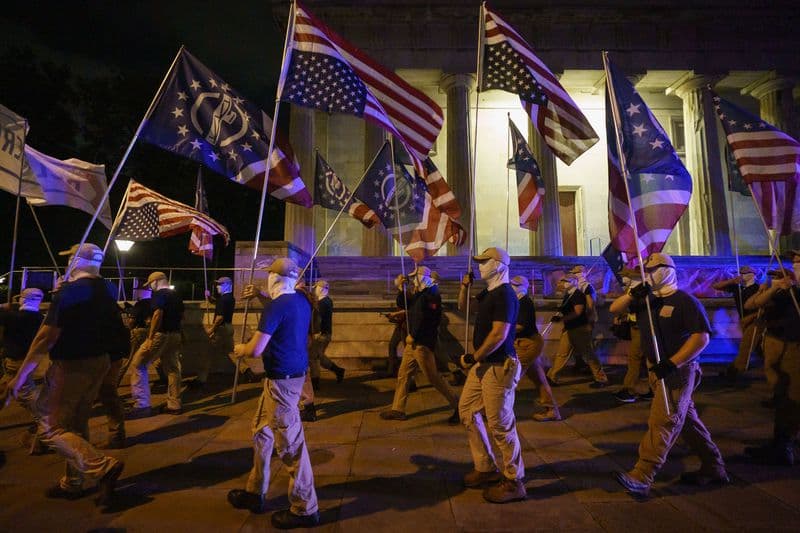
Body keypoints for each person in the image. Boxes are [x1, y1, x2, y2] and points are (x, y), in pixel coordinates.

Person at [0, 243, 125, 503]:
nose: (68, 263)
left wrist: (20, 376)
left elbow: (46, 338)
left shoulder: (70, 292)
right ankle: (73, 482)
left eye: (71, 259)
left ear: (78, 261)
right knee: (77, 424)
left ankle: (102, 466)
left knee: (50, 426)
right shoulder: (109, 289)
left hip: (71, 366)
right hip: (99, 362)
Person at [611, 253, 728, 497]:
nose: (648, 275)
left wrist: (673, 363)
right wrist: (633, 294)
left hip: (678, 371)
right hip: (657, 369)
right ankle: (714, 466)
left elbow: (701, 337)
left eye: (653, 270)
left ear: (667, 271)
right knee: (686, 421)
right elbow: (615, 307)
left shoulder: (685, 301)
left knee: (663, 421)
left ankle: (643, 473)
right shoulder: (647, 300)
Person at [228, 257, 320, 529]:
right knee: (261, 432)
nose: (266, 279)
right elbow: (279, 304)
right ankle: (255, 491)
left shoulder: (276, 307)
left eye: (269, 275)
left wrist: (240, 349)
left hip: (281, 383)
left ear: (275, 278)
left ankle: (306, 508)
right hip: (286, 378)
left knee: (291, 447)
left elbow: (255, 350)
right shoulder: (300, 301)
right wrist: (260, 296)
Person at [457, 247, 526, 503]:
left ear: (499, 265)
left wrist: (474, 357)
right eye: (479, 262)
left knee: (500, 424)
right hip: (484, 365)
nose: (480, 266)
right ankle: (485, 467)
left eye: (484, 261)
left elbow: (499, 334)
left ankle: (514, 479)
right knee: (467, 410)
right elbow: (464, 308)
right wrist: (465, 286)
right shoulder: (489, 293)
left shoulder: (506, 295)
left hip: (498, 366)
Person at [381, 265, 460, 424]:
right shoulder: (421, 293)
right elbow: (406, 305)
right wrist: (400, 289)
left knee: (433, 377)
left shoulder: (432, 294)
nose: (412, 279)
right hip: (414, 343)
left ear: (423, 277)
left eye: (415, 276)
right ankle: (398, 409)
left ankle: (459, 406)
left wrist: (413, 335)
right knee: (403, 374)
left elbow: (426, 320)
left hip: (421, 342)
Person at [742, 267, 800, 465]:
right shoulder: (779, 293)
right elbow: (751, 304)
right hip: (776, 344)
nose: (775, 279)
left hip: (793, 346)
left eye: (779, 276)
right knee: (780, 395)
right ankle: (779, 442)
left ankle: (786, 445)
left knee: (792, 397)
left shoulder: (795, 293)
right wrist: (771, 289)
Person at [127, 271, 184, 418]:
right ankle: (174, 404)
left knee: (138, 364)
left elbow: (158, 314)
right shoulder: (176, 296)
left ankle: (141, 405)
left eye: (150, 284)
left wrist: (150, 337)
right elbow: (180, 317)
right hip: (175, 334)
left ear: (157, 281)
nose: (150, 287)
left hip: (161, 334)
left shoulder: (159, 294)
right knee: (173, 368)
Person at [510, 275, 561, 422]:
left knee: (510, 378)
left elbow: (521, 326)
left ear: (521, 287)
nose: (512, 286)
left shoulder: (524, 302)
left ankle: (496, 412)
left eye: (515, 284)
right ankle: (552, 410)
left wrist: (503, 330)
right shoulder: (519, 302)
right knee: (539, 379)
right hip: (527, 343)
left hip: (527, 344)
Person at [0, 288, 45, 450]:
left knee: (28, 397)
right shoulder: (40, 318)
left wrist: (6, 307)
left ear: (22, 299)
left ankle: (45, 427)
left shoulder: (11, 317)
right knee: (5, 390)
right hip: (30, 362)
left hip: (15, 363)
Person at [546, 273, 609, 387]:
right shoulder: (569, 295)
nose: (560, 283)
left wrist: (562, 318)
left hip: (579, 328)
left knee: (588, 354)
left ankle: (601, 378)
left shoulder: (577, 295)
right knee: (562, 353)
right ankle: (552, 376)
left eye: (563, 281)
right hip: (570, 328)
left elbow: (578, 312)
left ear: (570, 282)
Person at [714, 266, 763, 380]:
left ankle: (734, 371)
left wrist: (750, 317)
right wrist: (732, 280)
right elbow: (716, 286)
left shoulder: (758, 288)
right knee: (756, 346)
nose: (743, 274)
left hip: (755, 320)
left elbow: (762, 307)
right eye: (741, 273)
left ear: (753, 274)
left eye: (746, 272)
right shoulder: (738, 288)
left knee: (746, 346)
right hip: (744, 320)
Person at [613, 269, 653, 404]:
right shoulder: (633, 289)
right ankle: (650, 389)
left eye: (626, 275)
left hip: (642, 327)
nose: (624, 279)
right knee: (639, 357)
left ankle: (630, 390)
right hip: (635, 325)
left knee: (635, 357)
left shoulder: (644, 289)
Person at [194, 276, 236, 390]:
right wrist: (209, 297)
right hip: (228, 327)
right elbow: (217, 303)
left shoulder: (223, 299)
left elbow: (219, 317)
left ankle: (201, 380)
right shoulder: (230, 298)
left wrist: (211, 330)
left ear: (228, 285)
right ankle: (247, 371)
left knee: (206, 353)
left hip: (221, 329)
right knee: (231, 352)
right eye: (218, 284)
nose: (218, 286)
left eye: (220, 284)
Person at [309, 279, 345, 388]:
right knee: (319, 356)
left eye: (317, 287)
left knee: (313, 357)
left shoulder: (322, 303)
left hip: (321, 335)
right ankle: (338, 370)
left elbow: (319, 319)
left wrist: (316, 332)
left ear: (321, 289)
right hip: (325, 334)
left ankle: (315, 383)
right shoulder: (327, 301)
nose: (315, 289)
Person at [568, 265, 597, 376]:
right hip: (577, 320)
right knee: (576, 343)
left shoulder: (586, 286)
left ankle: (592, 369)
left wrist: (588, 320)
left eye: (576, 272)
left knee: (587, 345)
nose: (575, 275)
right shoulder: (577, 286)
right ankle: (579, 364)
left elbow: (590, 304)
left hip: (585, 319)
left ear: (582, 273)